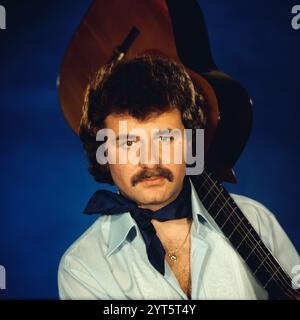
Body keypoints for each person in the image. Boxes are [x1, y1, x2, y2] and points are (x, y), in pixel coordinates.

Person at [58, 55, 300, 300]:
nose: (150, 161)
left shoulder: (256, 220)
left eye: (165, 138)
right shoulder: (81, 267)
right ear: (104, 154)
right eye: (128, 142)